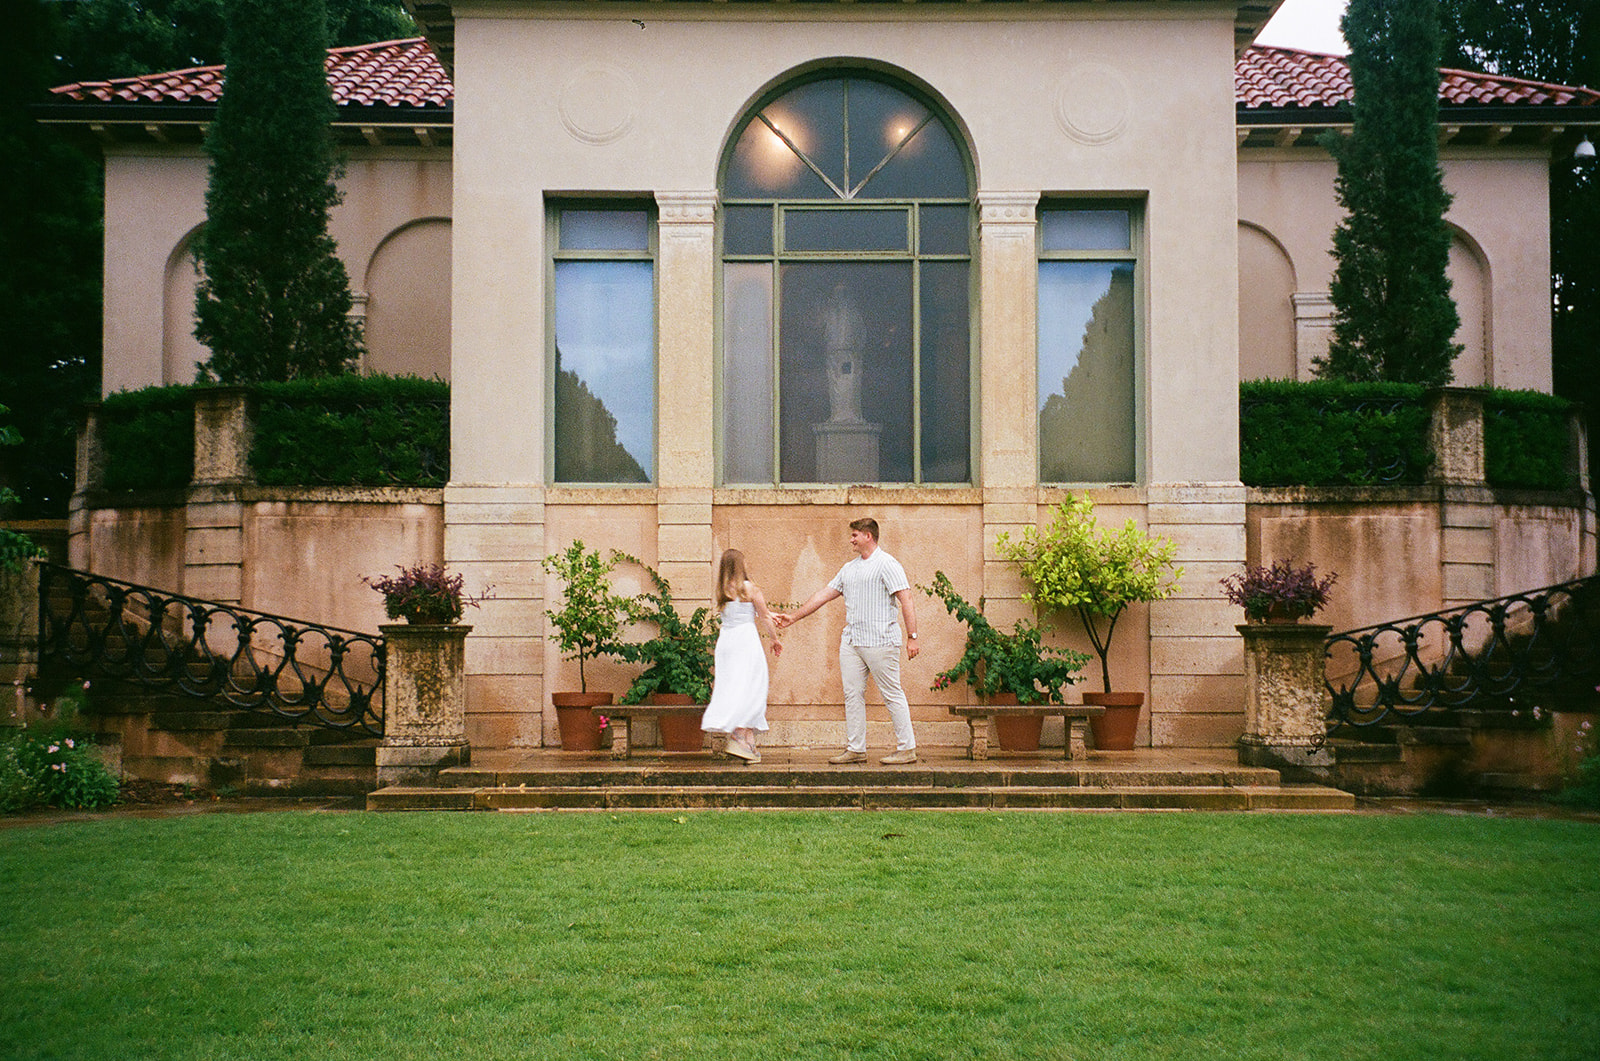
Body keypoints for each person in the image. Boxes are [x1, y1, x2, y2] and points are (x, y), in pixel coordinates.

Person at [775, 517, 921, 765]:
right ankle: (856, 748)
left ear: (868, 536)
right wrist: (793, 617)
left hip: (881, 641)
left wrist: (912, 637)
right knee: (852, 694)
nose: (851, 540)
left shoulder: (888, 564)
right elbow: (824, 594)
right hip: (852, 641)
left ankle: (907, 748)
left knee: (891, 693)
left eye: (855, 535)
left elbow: (906, 599)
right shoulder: (849, 568)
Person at [701, 549, 783, 764]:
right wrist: (775, 639)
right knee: (754, 685)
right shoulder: (750, 588)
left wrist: (766, 614)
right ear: (741, 565)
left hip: (727, 641)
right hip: (746, 640)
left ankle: (749, 745)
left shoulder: (722, 590)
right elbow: (763, 615)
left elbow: (746, 611)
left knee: (734, 686)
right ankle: (740, 733)